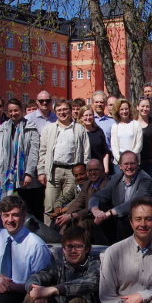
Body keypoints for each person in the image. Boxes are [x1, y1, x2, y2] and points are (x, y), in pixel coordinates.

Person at [24, 226, 101, 303]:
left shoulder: (95, 265)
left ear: (87, 249)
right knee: (31, 295)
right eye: (68, 247)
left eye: (78, 246)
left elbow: (91, 282)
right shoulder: (58, 265)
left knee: (76, 302)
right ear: (63, 249)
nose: (73, 251)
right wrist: (36, 289)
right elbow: (35, 277)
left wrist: (53, 290)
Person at [38, 99, 91, 227]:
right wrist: (41, 172)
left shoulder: (79, 129)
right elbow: (43, 151)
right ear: (55, 112)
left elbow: (86, 152)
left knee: (71, 205)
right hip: (53, 170)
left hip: (72, 171)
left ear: (70, 111)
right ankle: (49, 233)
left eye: (65, 110)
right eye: (59, 110)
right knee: (50, 205)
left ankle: (66, 232)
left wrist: (85, 172)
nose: (62, 113)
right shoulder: (49, 129)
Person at [0, 98, 43, 221]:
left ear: (22, 111)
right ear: (7, 112)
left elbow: (34, 153)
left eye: (16, 110)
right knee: (7, 206)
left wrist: (29, 173)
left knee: (28, 209)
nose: (14, 113)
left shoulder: (31, 127)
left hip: (24, 176)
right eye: (10, 111)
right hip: (6, 175)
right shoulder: (3, 128)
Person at [89, 151, 152, 242]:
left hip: (135, 219)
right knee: (100, 208)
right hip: (117, 219)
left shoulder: (145, 179)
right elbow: (98, 196)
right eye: (126, 164)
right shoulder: (116, 178)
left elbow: (136, 201)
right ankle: (103, 248)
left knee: (122, 217)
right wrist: (96, 210)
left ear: (138, 165)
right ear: (120, 166)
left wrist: (110, 213)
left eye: (132, 164)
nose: (129, 167)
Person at [54, 159, 110, 233]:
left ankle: (82, 244)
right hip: (86, 215)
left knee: (82, 223)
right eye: (90, 170)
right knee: (65, 220)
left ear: (101, 170)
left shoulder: (106, 184)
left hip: (102, 219)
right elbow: (78, 202)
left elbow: (93, 207)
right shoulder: (87, 184)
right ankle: (61, 240)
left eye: (95, 170)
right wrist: (65, 216)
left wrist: (71, 216)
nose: (92, 172)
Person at [137, 96, 152, 190]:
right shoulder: (133, 123)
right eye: (142, 106)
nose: (145, 109)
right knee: (139, 190)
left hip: (151, 162)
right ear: (137, 107)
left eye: (147, 106)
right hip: (137, 164)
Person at [110, 99, 143, 171]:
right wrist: (121, 160)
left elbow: (139, 144)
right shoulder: (115, 126)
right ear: (118, 111)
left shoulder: (136, 124)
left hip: (134, 160)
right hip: (119, 160)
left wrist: (131, 159)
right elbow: (114, 146)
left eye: (126, 109)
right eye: (121, 109)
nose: (124, 111)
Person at [79, 105, 110, 174]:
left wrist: (106, 169)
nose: (88, 117)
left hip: (98, 168)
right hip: (83, 170)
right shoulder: (79, 133)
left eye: (90, 115)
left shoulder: (99, 131)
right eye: (85, 115)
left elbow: (105, 152)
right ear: (81, 118)